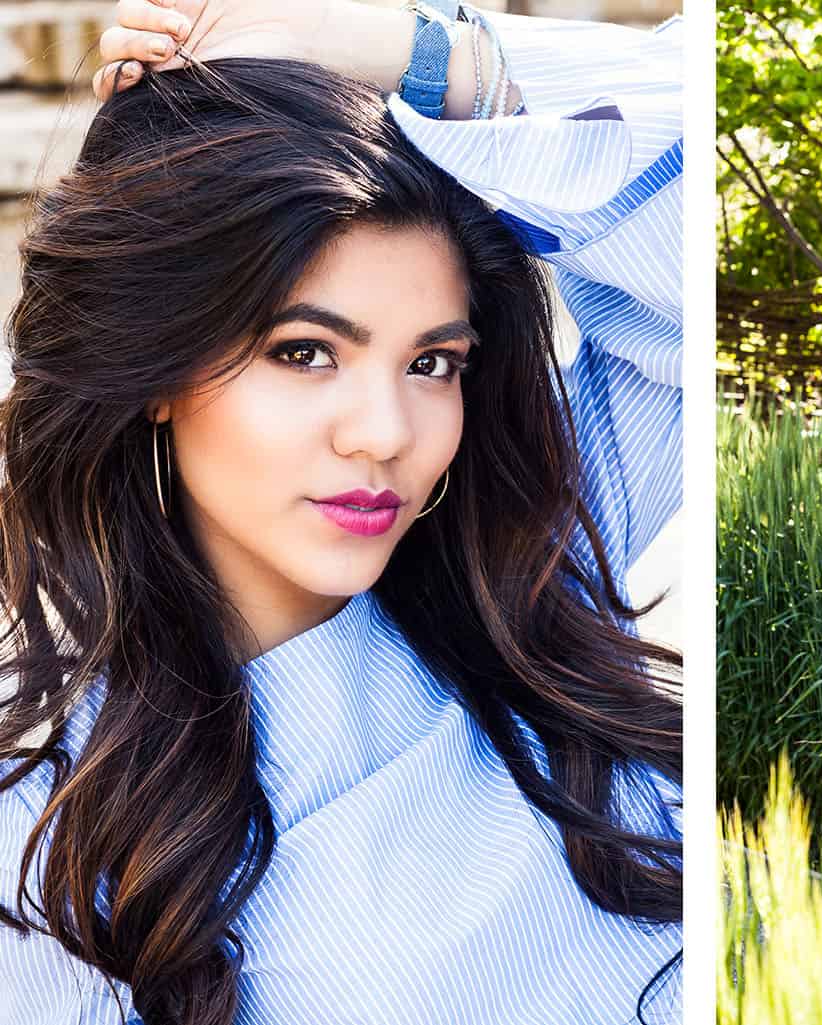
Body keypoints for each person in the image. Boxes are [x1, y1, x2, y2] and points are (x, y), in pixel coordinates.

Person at [0, 3, 683, 1023]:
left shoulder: (535, 574)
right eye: (303, 351)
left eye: (431, 362)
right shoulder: (50, 836)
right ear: (157, 366)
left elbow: (688, 180)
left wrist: (418, 55)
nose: (383, 432)